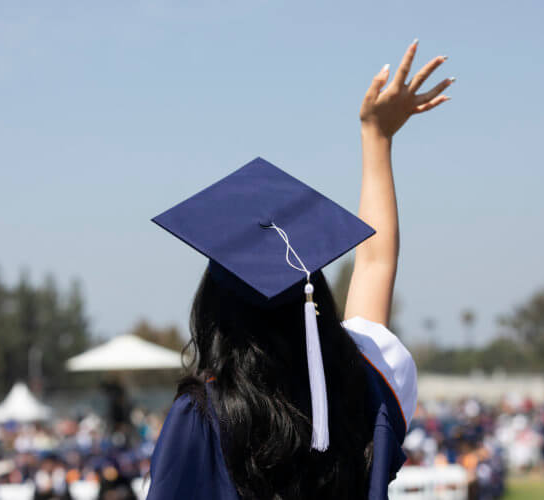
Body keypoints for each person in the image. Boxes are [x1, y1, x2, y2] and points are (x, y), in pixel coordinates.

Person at [147, 39, 453, 500]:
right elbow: (374, 261)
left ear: (214, 314)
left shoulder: (203, 417)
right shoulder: (366, 386)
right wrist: (377, 137)